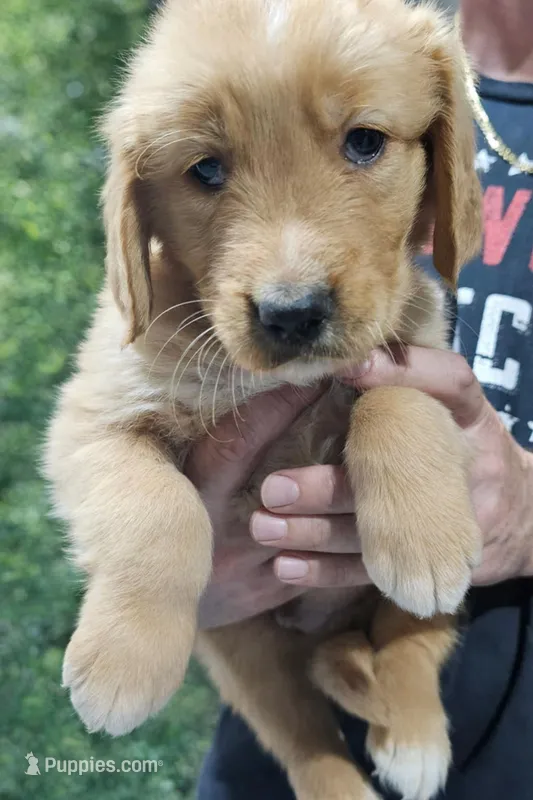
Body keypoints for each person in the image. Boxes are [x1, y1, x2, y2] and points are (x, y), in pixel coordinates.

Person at [187, 0, 533, 797]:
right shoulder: (322, 50)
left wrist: (525, 514)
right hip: (278, 762)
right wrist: (174, 567)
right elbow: (144, 380)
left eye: (365, 146)